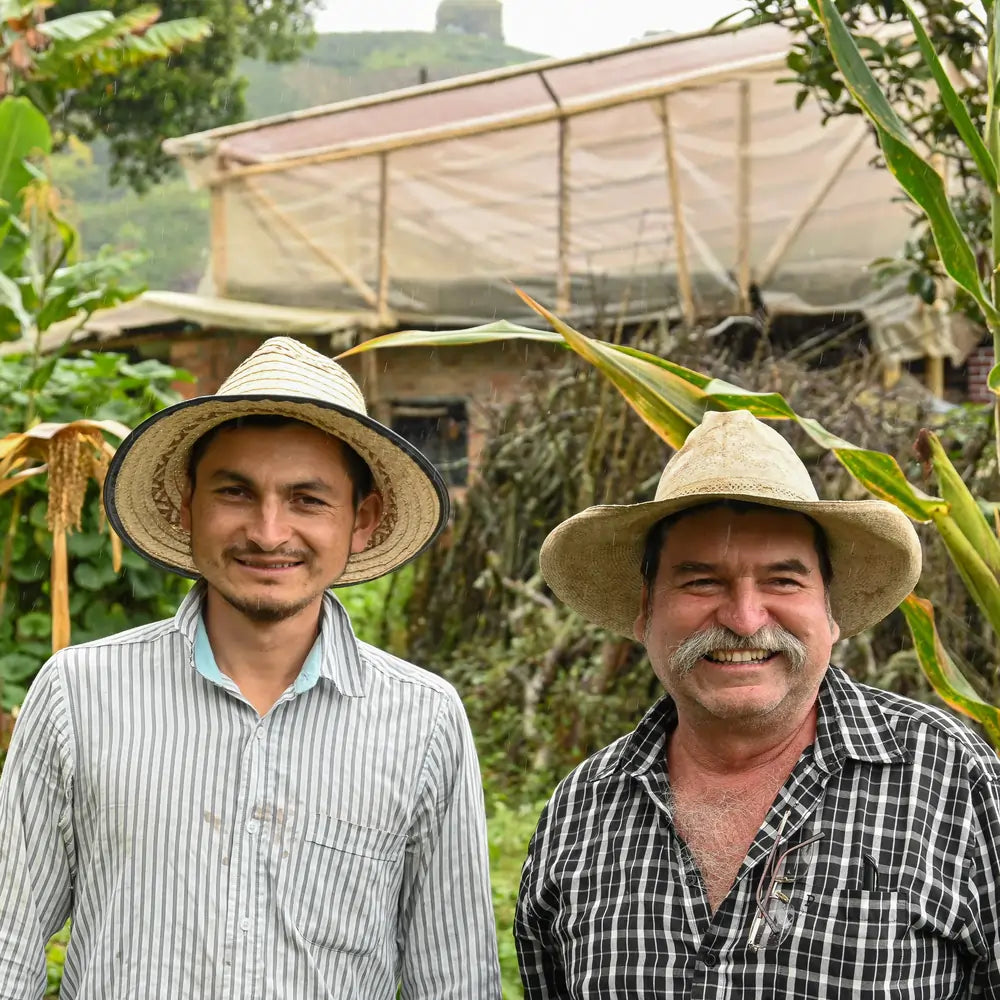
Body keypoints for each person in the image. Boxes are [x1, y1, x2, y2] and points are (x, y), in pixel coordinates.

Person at [0, 337, 501, 999]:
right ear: (188, 505)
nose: (268, 533)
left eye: (307, 500)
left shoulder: (424, 719)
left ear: (363, 519)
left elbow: (456, 981)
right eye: (236, 492)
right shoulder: (80, 695)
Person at [515, 408, 1000, 998]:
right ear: (646, 609)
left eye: (782, 581)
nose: (745, 619)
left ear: (830, 608)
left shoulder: (951, 777)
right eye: (701, 581)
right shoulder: (582, 811)